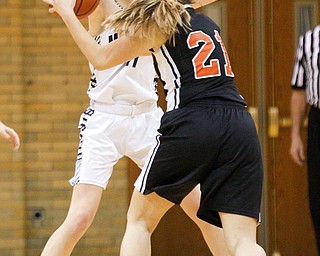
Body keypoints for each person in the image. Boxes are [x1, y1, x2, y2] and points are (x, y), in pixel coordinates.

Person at [40, 0, 231, 255]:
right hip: (104, 119)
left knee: (200, 207)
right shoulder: (101, 4)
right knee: (80, 217)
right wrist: (64, 9)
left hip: (148, 119)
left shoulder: (157, 6)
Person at [290, 25, 320, 255]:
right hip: (318, 119)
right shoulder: (309, 40)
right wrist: (295, 136)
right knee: (317, 197)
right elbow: (299, 90)